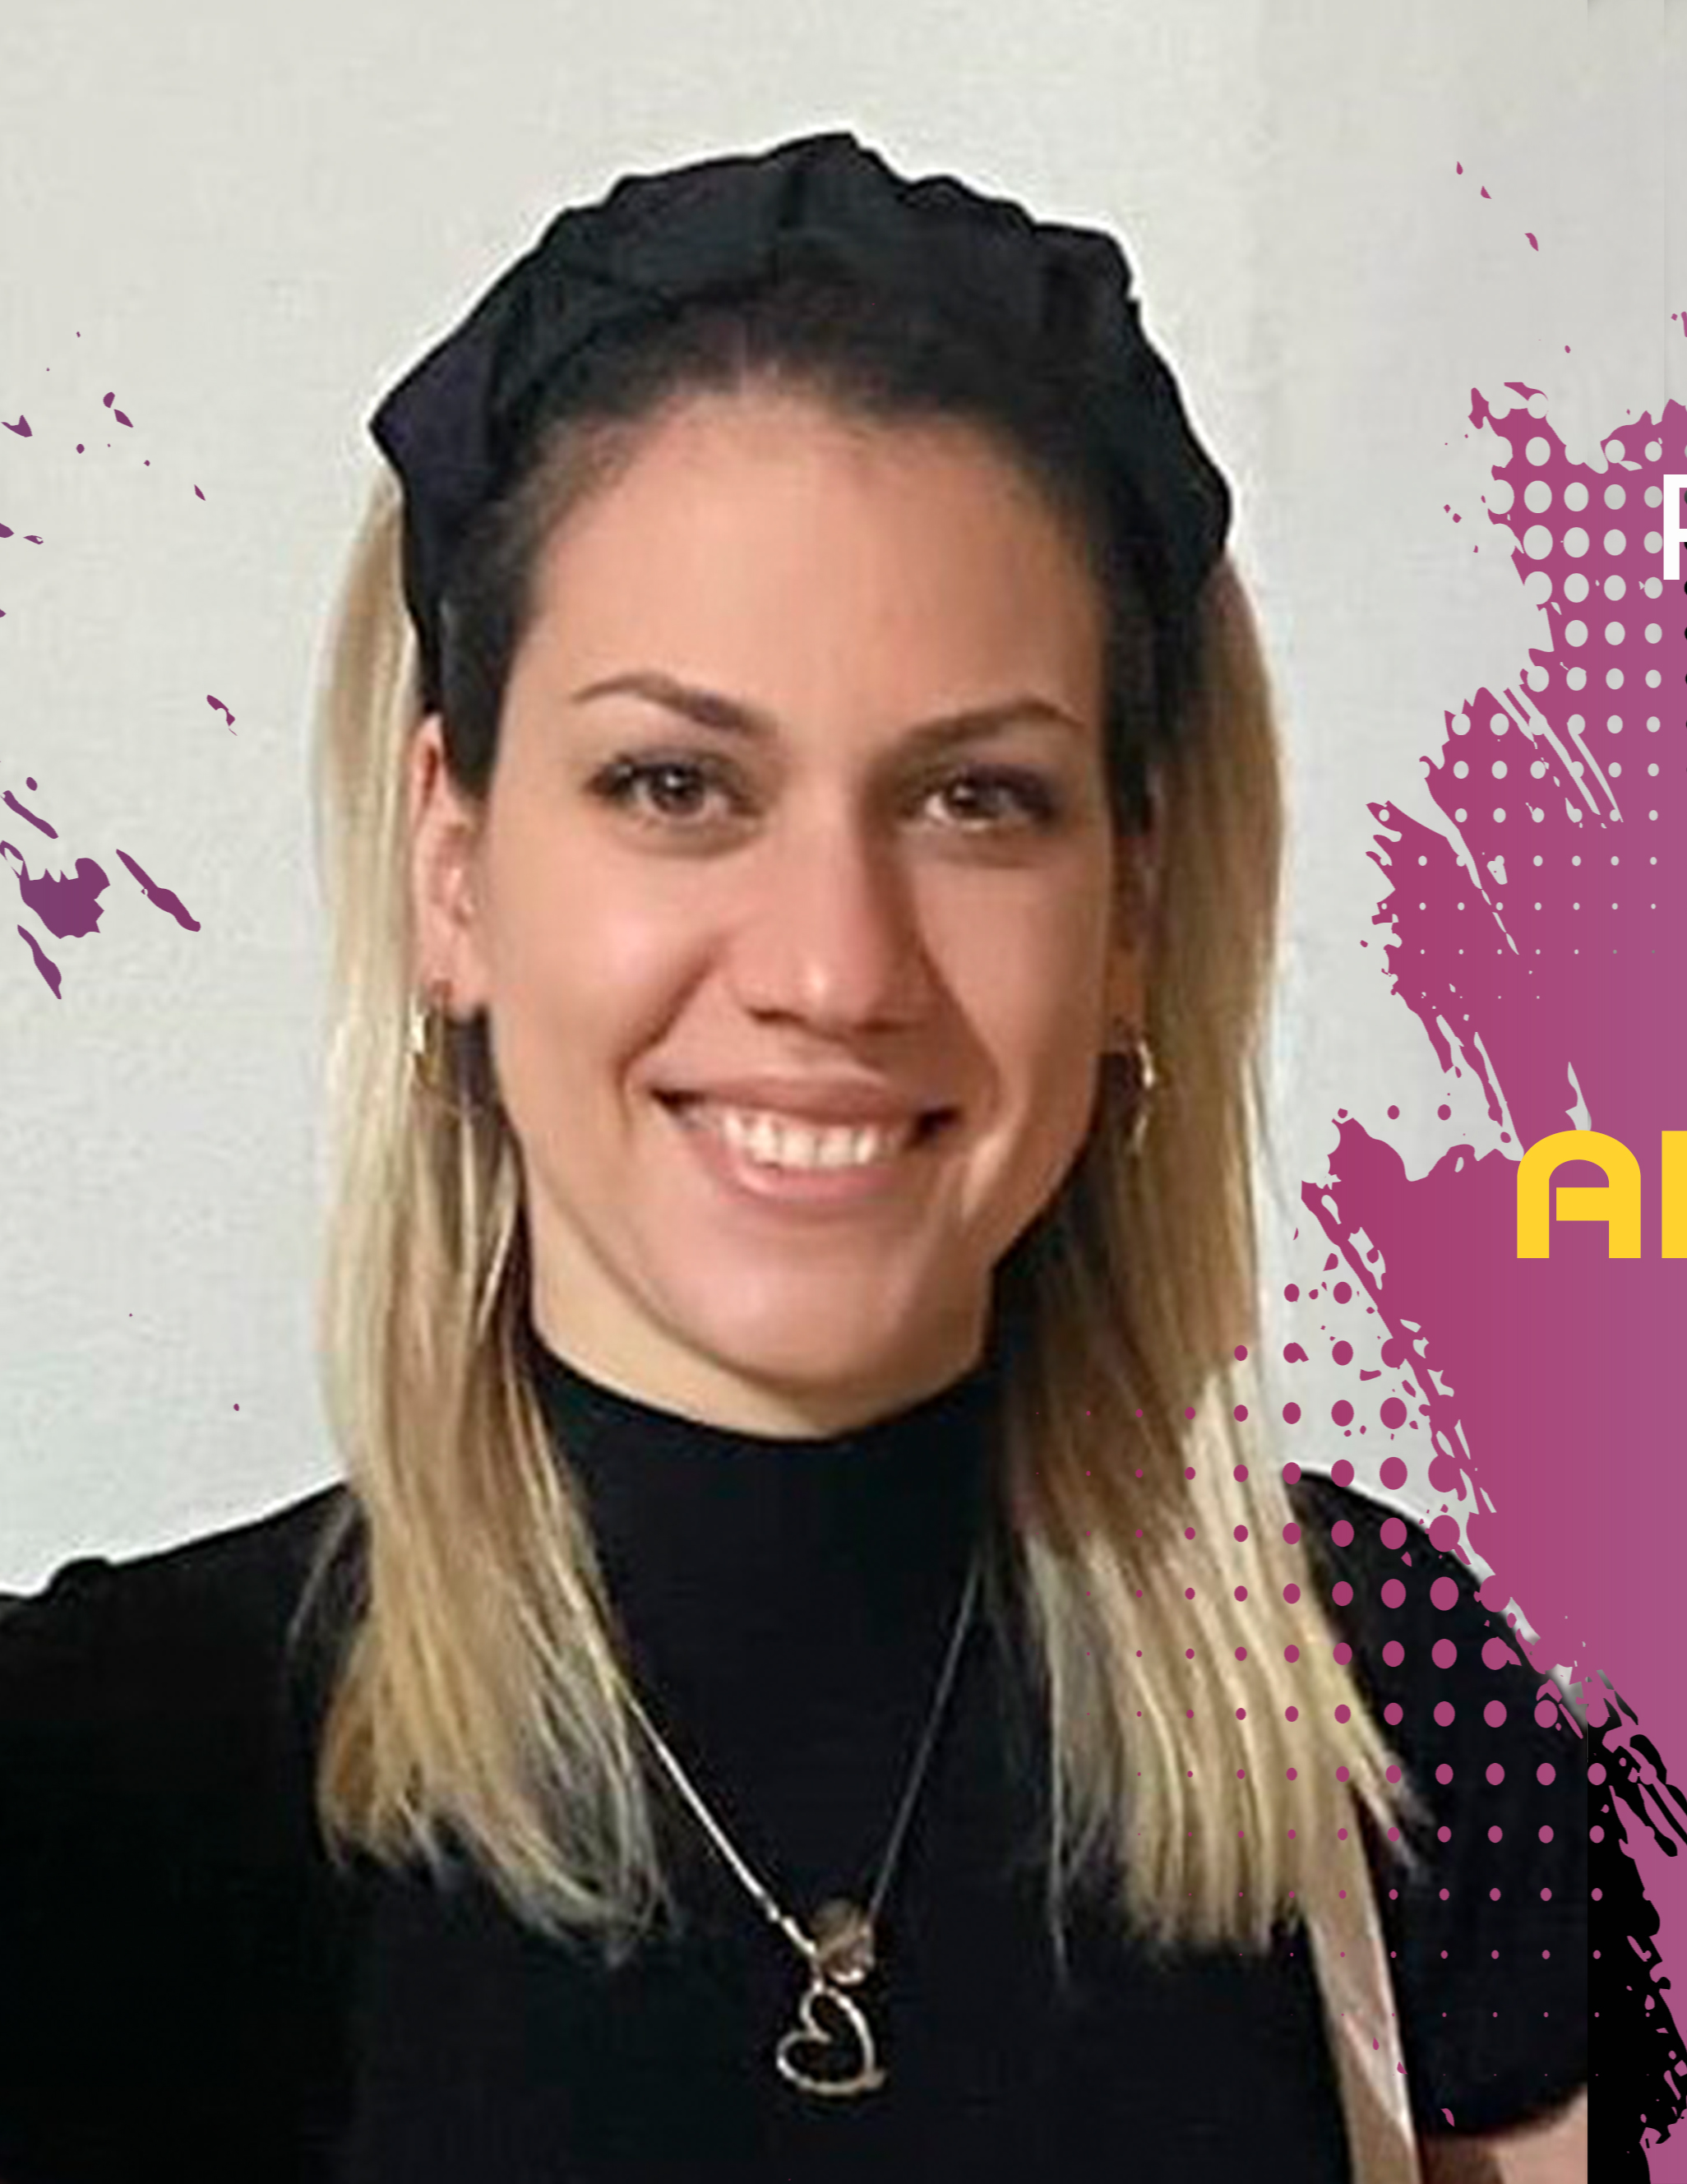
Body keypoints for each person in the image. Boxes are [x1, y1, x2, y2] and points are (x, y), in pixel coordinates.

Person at [0, 132, 1587, 2182]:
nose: (834, 968)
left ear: (1129, 911)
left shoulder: (1381, 1696)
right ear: (454, 865)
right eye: (675, 782)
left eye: (978, 798)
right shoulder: (96, 1789)